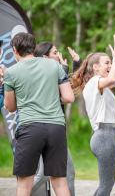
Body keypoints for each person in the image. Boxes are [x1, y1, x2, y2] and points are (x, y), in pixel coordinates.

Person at [3, 32, 75, 196]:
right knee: (60, 183)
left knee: (24, 185)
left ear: (14, 50)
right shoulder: (54, 65)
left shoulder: (11, 72)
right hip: (56, 128)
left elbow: (10, 107)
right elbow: (69, 97)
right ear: (33, 48)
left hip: (30, 129)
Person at [70, 36, 115, 196]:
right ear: (95, 67)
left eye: (110, 62)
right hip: (103, 137)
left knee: (106, 184)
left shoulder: (99, 83)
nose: (109, 65)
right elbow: (113, 78)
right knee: (106, 185)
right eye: (106, 63)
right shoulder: (95, 81)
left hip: (105, 137)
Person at [33, 42, 82, 196]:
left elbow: (71, 84)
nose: (58, 55)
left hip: (51, 130)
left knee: (45, 175)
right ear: (45, 57)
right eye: (54, 53)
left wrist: (76, 63)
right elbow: (57, 93)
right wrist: (62, 70)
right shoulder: (40, 76)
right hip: (49, 129)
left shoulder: (52, 73)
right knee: (66, 173)